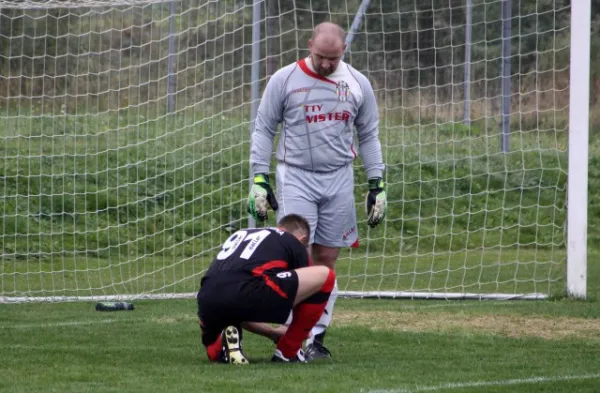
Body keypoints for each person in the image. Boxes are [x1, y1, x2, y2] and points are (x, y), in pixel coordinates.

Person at [247, 21, 387, 359]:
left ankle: (315, 337)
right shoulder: (284, 79)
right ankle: (292, 332)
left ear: (343, 52)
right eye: (320, 56)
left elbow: (368, 135)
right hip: (295, 175)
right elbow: (264, 128)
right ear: (310, 45)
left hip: (339, 177)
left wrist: (377, 183)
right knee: (298, 254)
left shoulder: (357, 84)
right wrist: (259, 178)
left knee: (327, 258)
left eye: (333, 58)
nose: (326, 64)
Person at [196, 213, 336, 364]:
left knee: (233, 303)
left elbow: (235, 293)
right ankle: (288, 352)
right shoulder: (293, 242)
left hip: (207, 299)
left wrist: (272, 332)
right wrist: (297, 331)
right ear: (302, 239)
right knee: (325, 276)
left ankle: (221, 346)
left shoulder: (242, 233)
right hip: (250, 290)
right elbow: (307, 290)